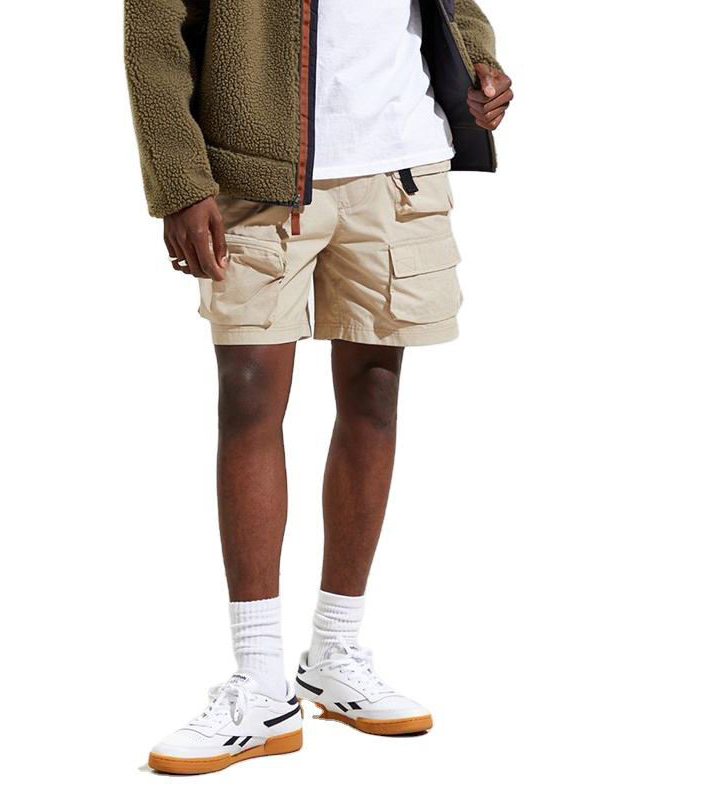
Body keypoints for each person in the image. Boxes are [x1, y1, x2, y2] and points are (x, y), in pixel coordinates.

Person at [125, 0, 513, 775]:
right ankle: (260, 681)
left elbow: (454, 7)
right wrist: (178, 180)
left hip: (400, 166)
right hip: (251, 174)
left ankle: (335, 651)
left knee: (374, 396)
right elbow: (152, 33)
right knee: (247, 397)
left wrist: (480, 61)